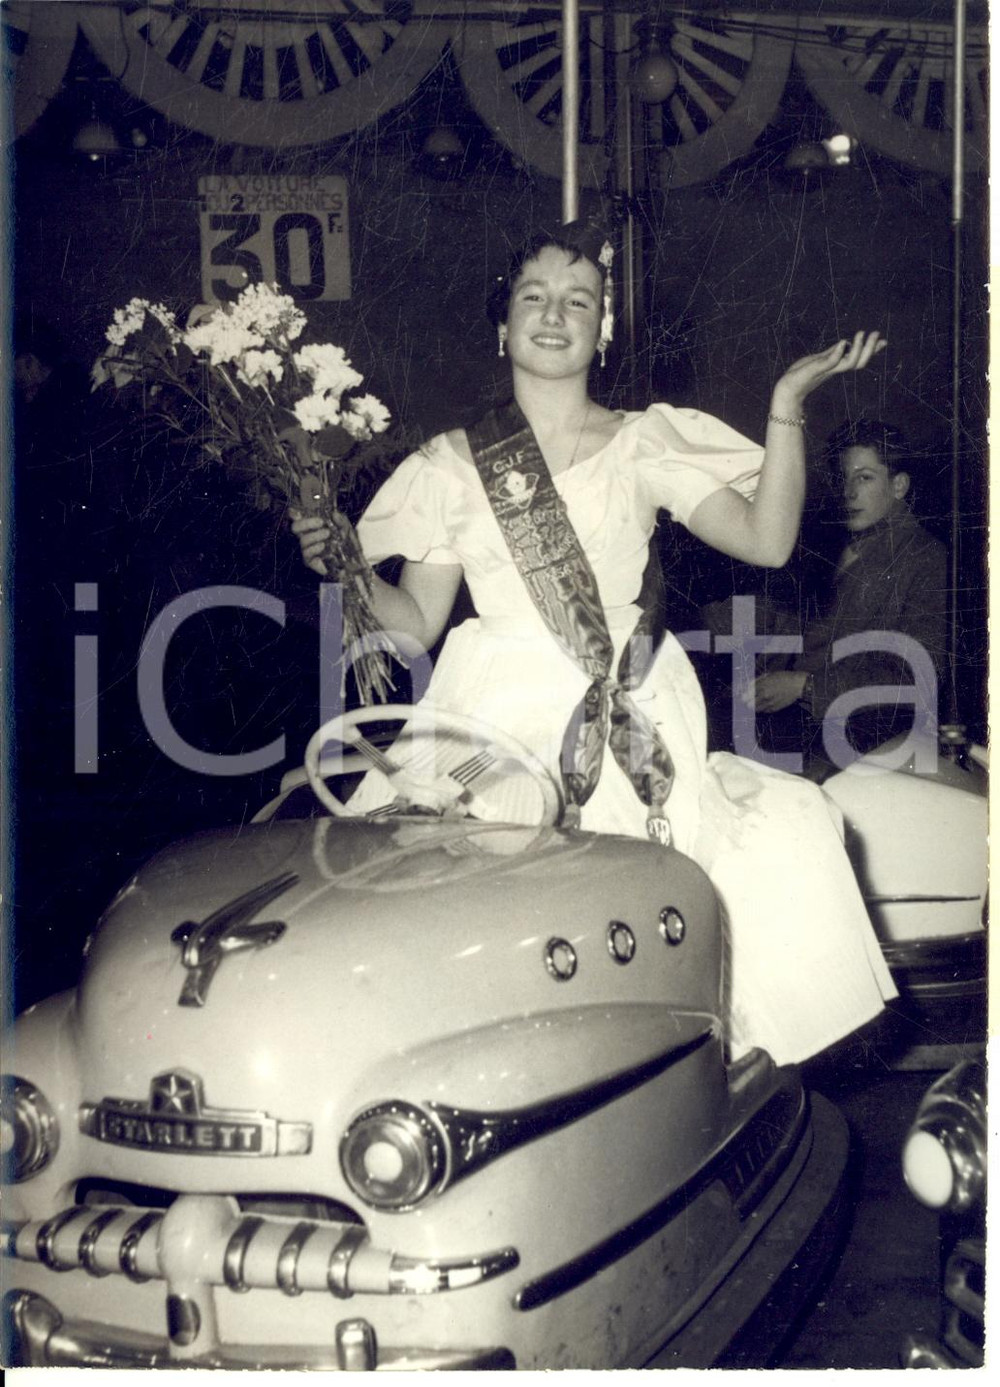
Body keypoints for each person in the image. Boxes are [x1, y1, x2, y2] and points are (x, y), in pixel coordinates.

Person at [293, 225, 895, 1066]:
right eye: (532, 296)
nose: (553, 313)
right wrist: (347, 569)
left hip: (626, 702)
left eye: (579, 300)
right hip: (495, 707)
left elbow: (768, 540)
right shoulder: (450, 465)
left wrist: (787, 403)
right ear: (500, 324)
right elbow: (413, 626)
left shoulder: (644, 440)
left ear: (603, 330)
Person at [750, 418, 947, 776]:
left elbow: (919, 674)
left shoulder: (926, 557)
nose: (848, 492)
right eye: (845, 477)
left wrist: (805, 687)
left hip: (862, 744)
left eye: (865, 477)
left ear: (899, 485)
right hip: (797, 725)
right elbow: (796, 620)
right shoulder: (838, 542)